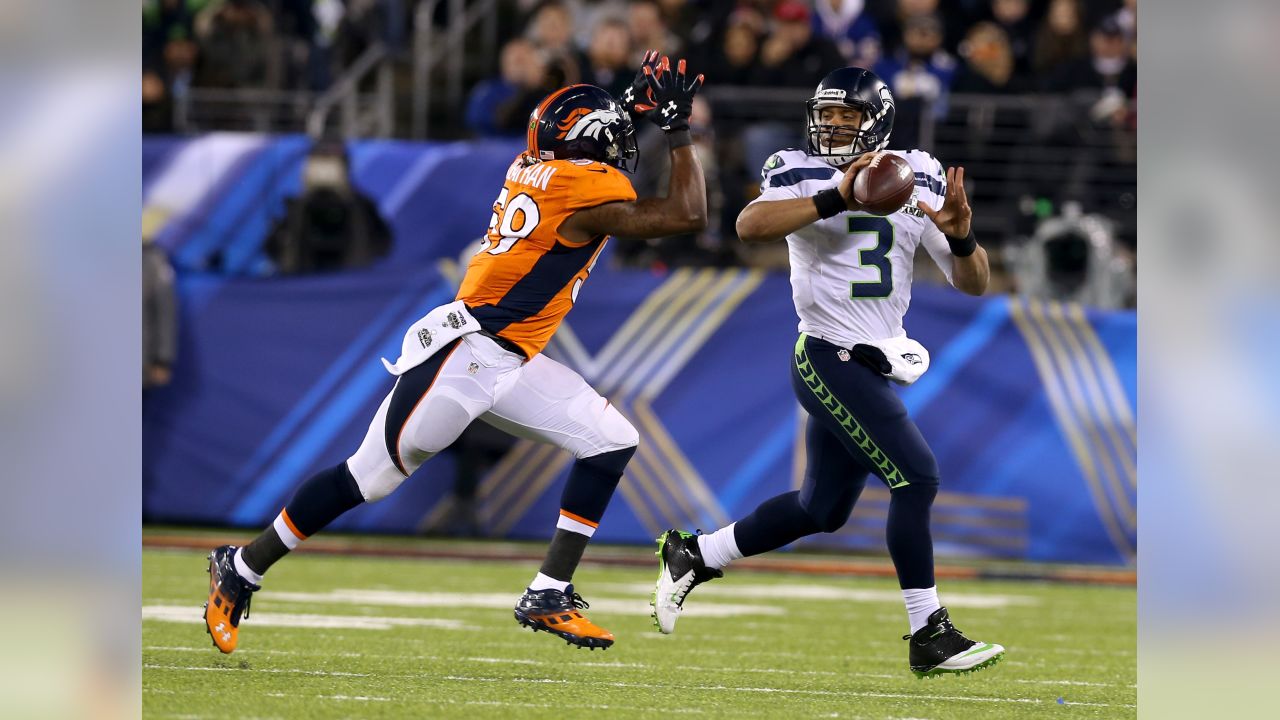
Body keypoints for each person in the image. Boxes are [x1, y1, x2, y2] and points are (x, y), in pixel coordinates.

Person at [204, 52, 708, 654]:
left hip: (509, 355)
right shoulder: (586, 187)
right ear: (593, 147)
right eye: (617, 141)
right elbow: (687, 213)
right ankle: (242, 566)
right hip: (466, 355)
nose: (625, 151)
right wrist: (676, 131)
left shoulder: (536, 165)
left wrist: (628, 108)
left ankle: (550, 589)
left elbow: (580, 139)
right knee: (369, 477)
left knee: (611, 441)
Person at [650, 67, 1006, 678]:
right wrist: (836, 196)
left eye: (847, 117)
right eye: (827, 116)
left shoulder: (917, 171)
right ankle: (929, 632)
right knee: (916, 479)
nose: (834, 127)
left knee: (822, 509)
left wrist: (965, 237)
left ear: (879, 119)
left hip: (877, 358)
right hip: (826, 353)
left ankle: (697, 554)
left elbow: (974, 284)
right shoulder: (797, 167)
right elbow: (747, 225)